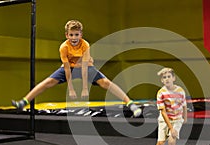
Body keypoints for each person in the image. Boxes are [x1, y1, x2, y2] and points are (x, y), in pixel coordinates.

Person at [12, 20, 141, 117]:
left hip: (86, 67)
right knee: (47, 82)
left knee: (106, 83)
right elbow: (67, 68)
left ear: (81, 34)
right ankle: (23, 102)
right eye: (71, 35)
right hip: (69, 69)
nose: (74, 38)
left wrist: (85, 88)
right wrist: (71, 89)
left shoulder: (85, 45)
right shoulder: (64, 47)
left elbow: (85, 67)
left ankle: (130, 103)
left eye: (76, 35)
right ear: (67, 35)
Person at [150, 67, 187, 145]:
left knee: (171, 141)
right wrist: (171, 128)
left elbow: (184, 105)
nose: (167, 79)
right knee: (160, 142)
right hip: (164, 119)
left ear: (173, 78)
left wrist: (185, 117)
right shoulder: (161, 93)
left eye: (169, 77)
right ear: (162, 80)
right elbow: (163, 111)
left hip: (177, 118)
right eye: (164, 77)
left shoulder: (180, 91)